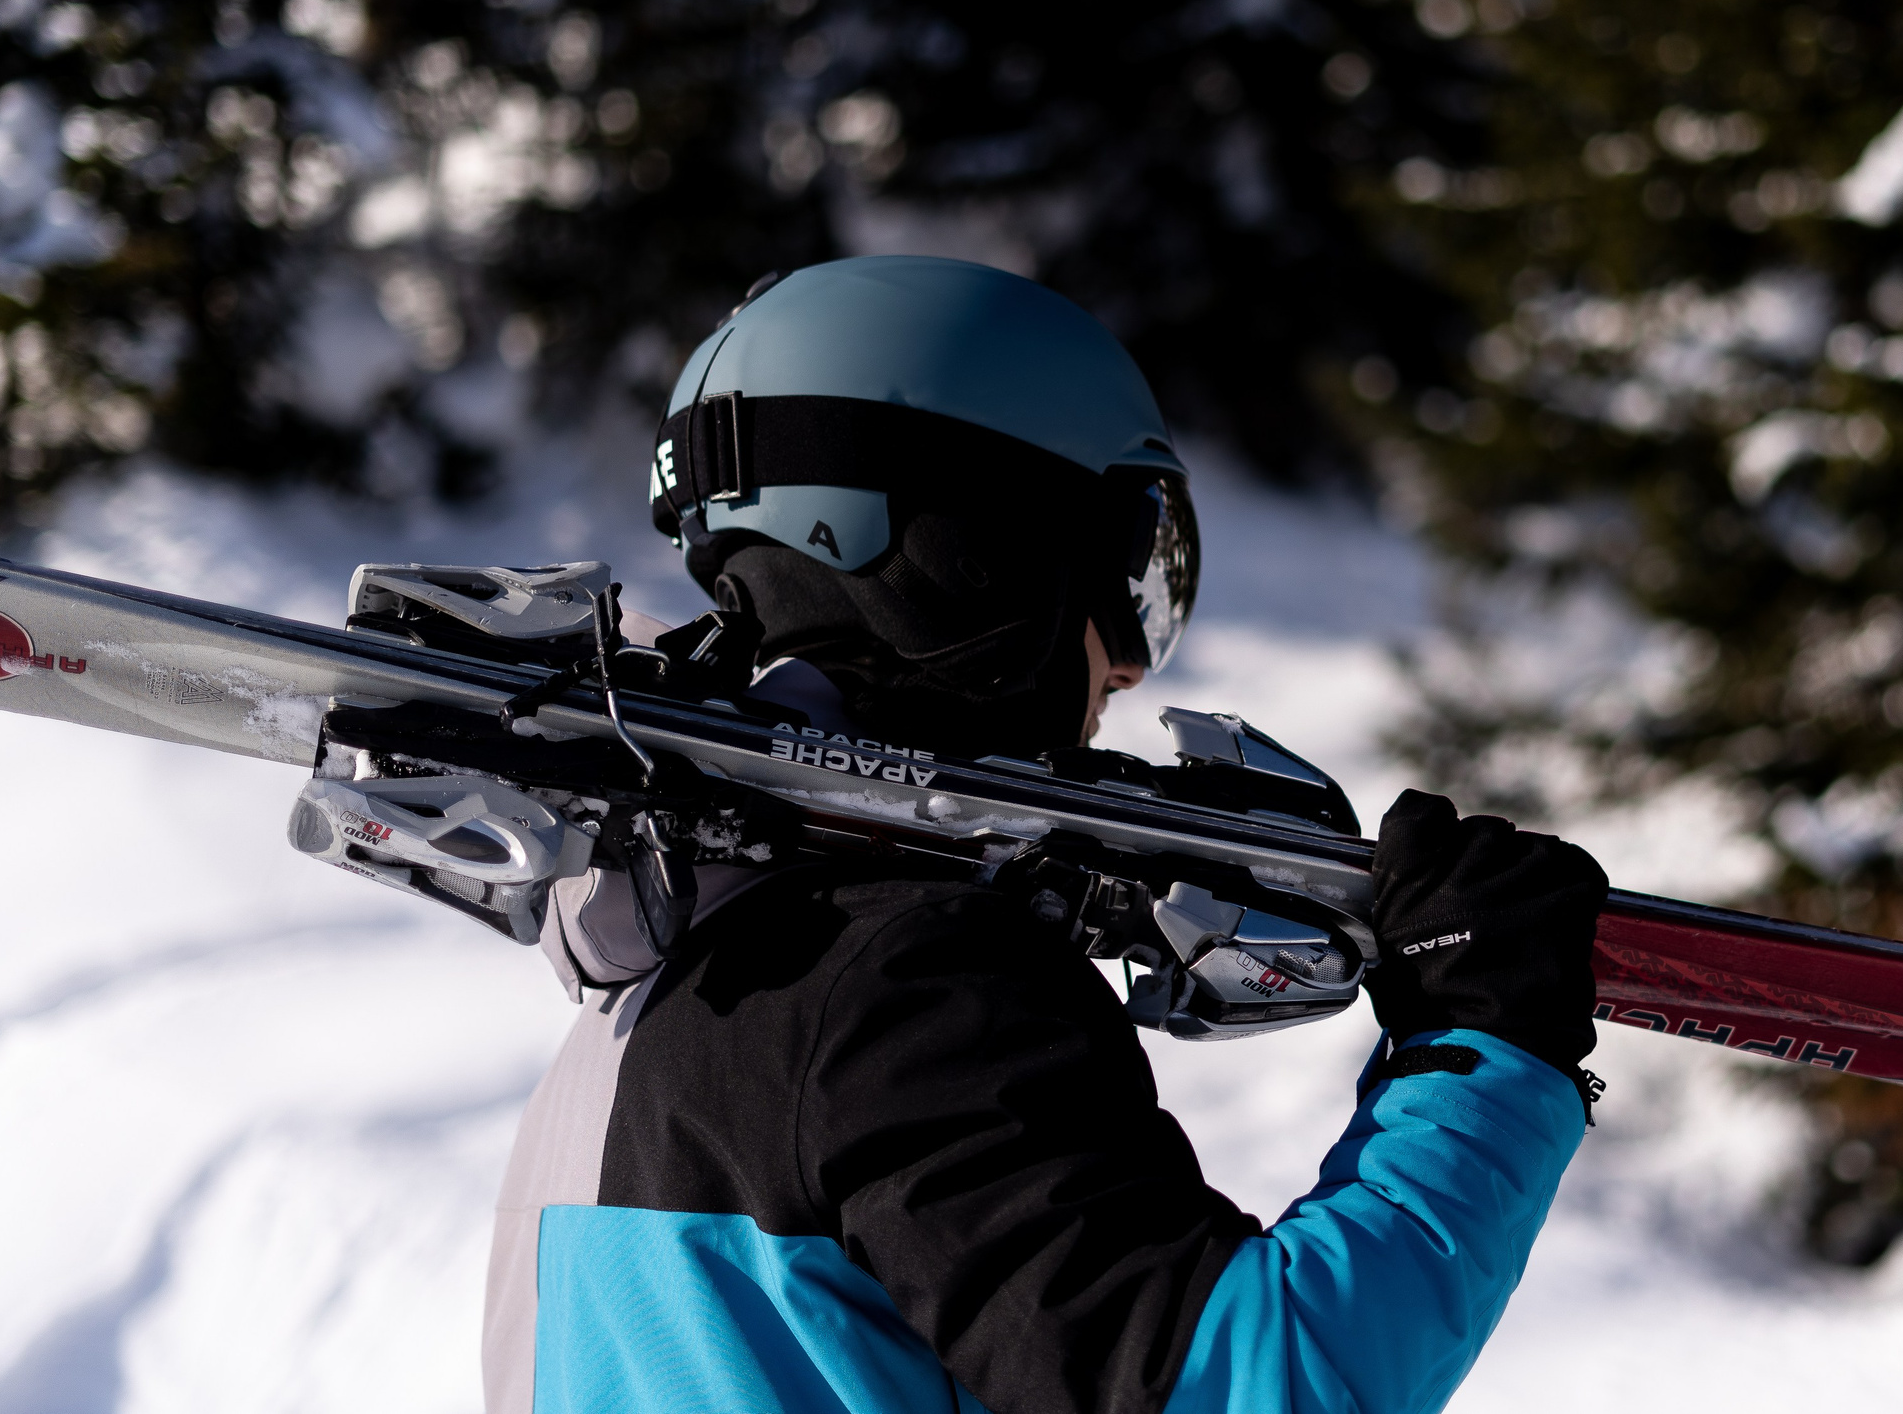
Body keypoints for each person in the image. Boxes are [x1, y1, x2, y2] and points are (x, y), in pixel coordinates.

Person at [484, 254, 1609, 1414]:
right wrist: (1482, 1058)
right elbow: (1259, 1386)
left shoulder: (641, 1002)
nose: (1126, 660)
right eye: (1128, 567)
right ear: (977, 557)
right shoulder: (902, 982)